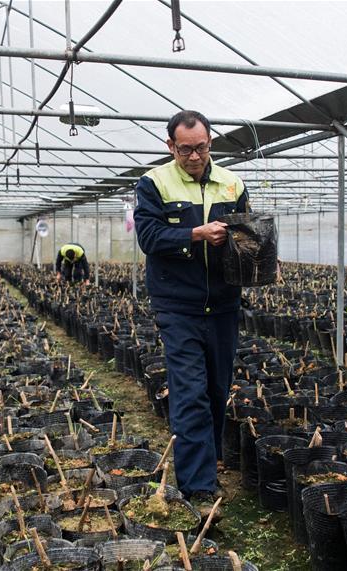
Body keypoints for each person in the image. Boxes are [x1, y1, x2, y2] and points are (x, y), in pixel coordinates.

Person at [133, 110, 249, 509]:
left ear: (210, 142)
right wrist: (195, 234)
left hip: (223, 303)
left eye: (200, 147)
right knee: (190, 391)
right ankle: (198, 486)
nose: (194, 156)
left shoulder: (232, 184)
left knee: (217, 389)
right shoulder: (154, 183)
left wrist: (262, 257)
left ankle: (208, 461)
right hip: (178, 304)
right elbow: (149, 236)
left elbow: (245, 235)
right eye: (185, 150)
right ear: (171, 146)